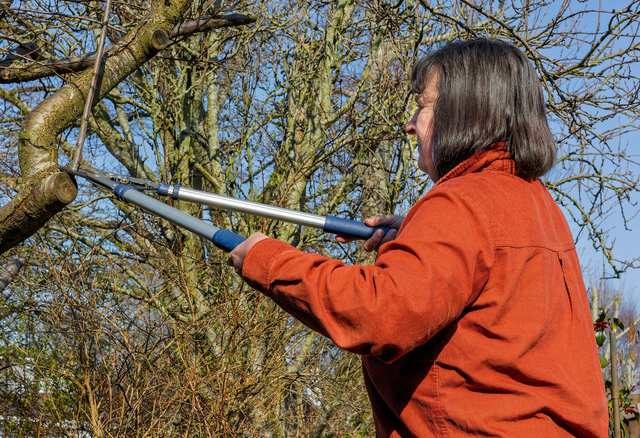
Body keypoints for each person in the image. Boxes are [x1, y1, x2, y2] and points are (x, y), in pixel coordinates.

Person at [228, 38, 608, 437]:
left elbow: (379, 314)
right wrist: (413, 234)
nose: (410, 123)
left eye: (423, 105)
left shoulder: (461, 203)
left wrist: (267, 260)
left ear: (465, 110)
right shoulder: (537, 204)